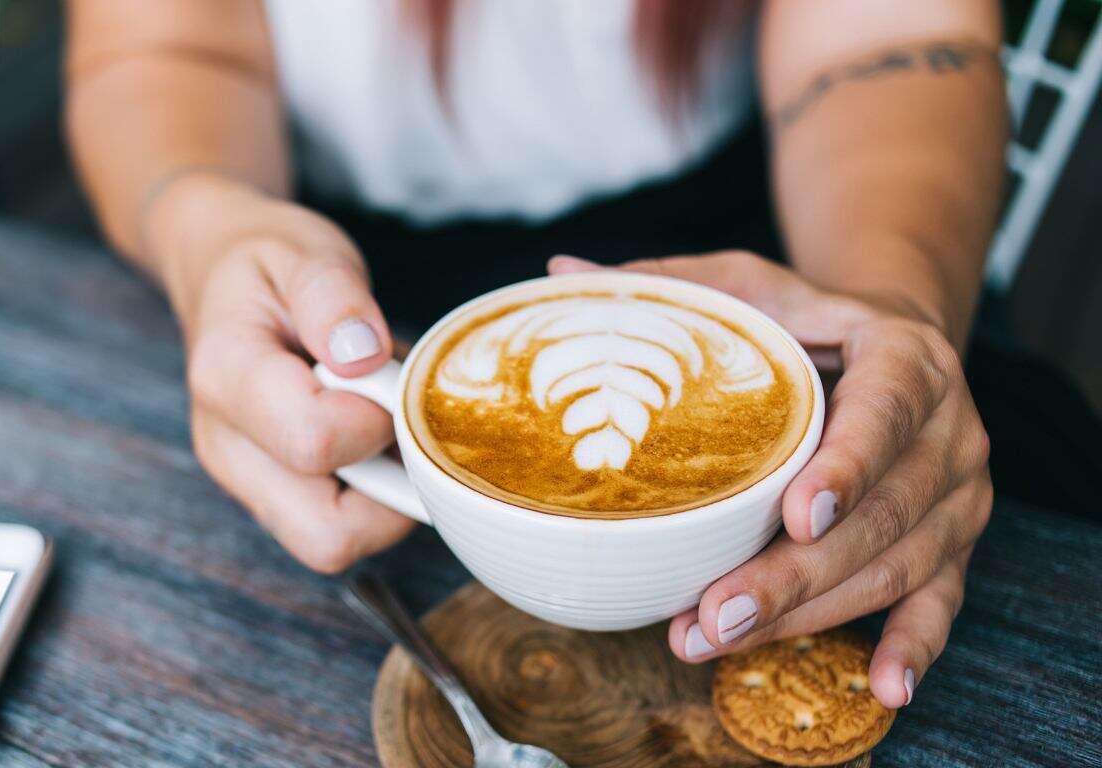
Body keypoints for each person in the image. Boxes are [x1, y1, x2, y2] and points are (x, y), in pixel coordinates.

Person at [64, 0, 1006, 710]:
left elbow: (885, 42)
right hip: (329, 277)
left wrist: (887, 304)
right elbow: (163, 48)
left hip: (761, 276)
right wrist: (208, 235)